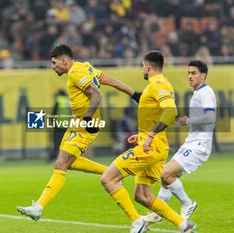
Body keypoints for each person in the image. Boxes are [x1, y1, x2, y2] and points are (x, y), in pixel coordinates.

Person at [17, 43, 140, 221]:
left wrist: (88, 118)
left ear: (64, 60)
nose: (53, 67)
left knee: (60, 164)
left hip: (85, 124)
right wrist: (134, 93)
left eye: (54, 63)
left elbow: (97, 94)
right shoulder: (85, 67)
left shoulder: (76, 73)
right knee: (68, 163)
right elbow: (110, 80)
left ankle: (38, 207)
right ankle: (114, 172)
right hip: (77, 123)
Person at [100, 50, 197, 233]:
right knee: (142, 195)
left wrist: (150, 136)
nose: (142, 70)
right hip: (155, 146)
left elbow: (170, 111)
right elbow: (156, 112)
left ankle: (138, 222)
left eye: (142, 67)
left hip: (150, 148)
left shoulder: (158, 84)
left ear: (147, 66)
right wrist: (144, 134)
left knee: (108, 179)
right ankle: (184, 225)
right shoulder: (159, 84)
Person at [143, 60, 216, 223]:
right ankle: (157, 213)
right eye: (189, 73)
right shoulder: (198, 93)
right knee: (166, 178)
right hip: (192, 142)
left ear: (203, 76)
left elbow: (211, 117)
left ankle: (187, 203)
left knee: (166, 173)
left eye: (194, 73)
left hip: (199, 144)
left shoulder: (206, 92)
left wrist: (188, 121)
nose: (190, 76)